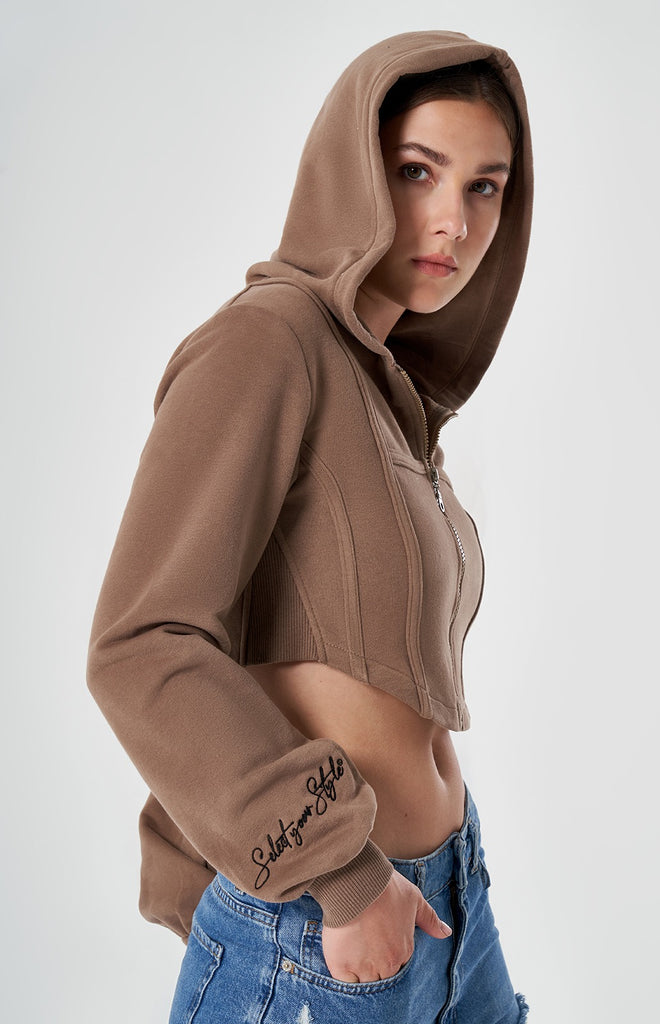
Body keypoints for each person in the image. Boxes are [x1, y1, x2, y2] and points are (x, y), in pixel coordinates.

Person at [87, 29, 533, 1024]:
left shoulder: (392, 397)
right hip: (324, 925)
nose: (454, 220)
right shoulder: (268, 342)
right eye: (418, 171)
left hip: (449, 902)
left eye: (485, 187)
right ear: (351, 169)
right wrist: (345, 878)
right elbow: (140, 643)